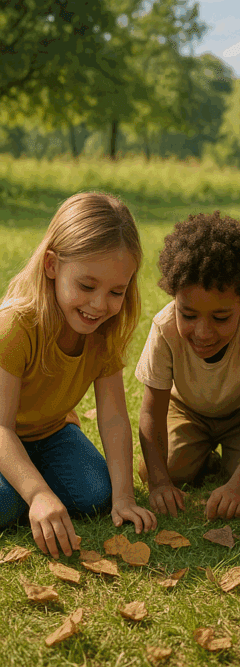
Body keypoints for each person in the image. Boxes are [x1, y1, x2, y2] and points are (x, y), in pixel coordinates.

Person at [0, 192, 157, 558]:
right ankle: (28, 486)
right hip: (4, 434)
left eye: (116, 291)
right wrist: (38, 494)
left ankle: (28, 479)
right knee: (5, 504)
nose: (100, 305)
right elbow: (2, 427)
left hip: (51, 432)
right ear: (52, 265)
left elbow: (115, 416)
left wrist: (124, 497)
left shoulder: (105, 331)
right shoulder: (14, 327)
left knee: (95, 495)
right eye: (87, 286)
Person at [135, 212, 240, 521]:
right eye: (189, 315)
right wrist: (158, 483)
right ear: (173, 297)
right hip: (187, 412)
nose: (203, 333)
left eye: (221, 318)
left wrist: (239, 486)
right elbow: (151, 414)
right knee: (159, 467)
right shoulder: (164, 328)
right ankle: (202, 456)